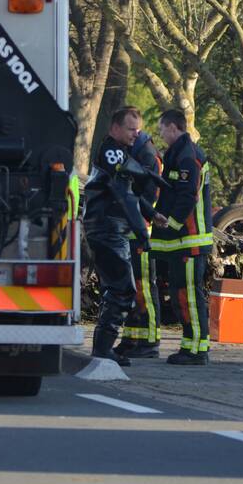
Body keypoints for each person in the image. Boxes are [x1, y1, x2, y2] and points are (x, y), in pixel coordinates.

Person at [84, 107, 153, 367]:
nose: (137, 134)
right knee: (123, 289)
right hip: (108, 228)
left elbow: (129, 191)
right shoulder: (114, 151)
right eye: (131, 128)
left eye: (138, 129)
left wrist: (150, 213)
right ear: (115, 128)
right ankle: (103, 349)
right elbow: (123, 195)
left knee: (115, 288)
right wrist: (142, 234)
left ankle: (103, 348)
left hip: (106, 227)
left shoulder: (117, 151)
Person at [149, 109, 213, 365]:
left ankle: (198, 349)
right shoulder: (179, 153)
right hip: (181, 240)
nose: (161, 134)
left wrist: (171, 223)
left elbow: (188, 195)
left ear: (173, 128)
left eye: (162, 129)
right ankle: (190, 345)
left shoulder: (189, 156)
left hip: (191, 239)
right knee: (180, 294)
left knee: (189, 294)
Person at [115, 113, 165, 359]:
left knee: (144, 285)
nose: (132, 133)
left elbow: (149, 193)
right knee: (133, 286)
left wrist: (140, 214)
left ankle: (151, 340)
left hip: (142, 228)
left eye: (134, 129)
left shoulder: (147, 155)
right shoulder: (133, 151)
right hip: (131, 227)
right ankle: (133, 338)